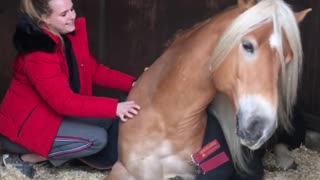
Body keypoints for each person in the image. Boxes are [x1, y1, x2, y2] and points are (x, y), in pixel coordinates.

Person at [0, 0, 140, 178]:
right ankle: (22, 159)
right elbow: (64, 101)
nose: (72, 16)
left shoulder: (66, 36)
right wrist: (115, 107)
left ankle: (76, 152)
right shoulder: (38, 53)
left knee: (111, 121)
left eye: (72, 9)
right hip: (24, 128)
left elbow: (93, 71)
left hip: (49, 113)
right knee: (97, 139)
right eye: (64, 14)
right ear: (44, 19)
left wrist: (133, 83)